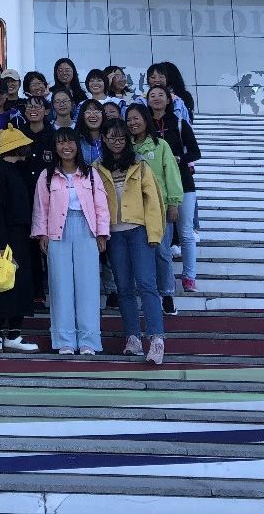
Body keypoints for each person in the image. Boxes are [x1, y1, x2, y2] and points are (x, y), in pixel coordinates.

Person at [32, 128, 110, 355]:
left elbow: (101, 206)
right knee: (60, 285)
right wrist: (42, 233)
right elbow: (41, 207)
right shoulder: (47, 176)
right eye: (60, 143)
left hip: (86, 229)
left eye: (70, 142)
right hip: (58, 230)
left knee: (88, 285)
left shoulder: (91, 174)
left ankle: (89, 341)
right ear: (55, 147)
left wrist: (102, 233)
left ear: (77, 145)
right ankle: (64, 340)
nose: (66, 147)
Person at [94, 120, 166, 365]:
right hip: (114, 234)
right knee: (123, 287)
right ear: (104, 139)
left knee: (146, 284)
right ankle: (133, 337)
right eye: (112, 138)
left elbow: (153, 201)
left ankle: (156, 338)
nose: (117, 142)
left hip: (138, 231)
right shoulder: (96, 168)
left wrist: (155, 234)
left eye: (121, 138)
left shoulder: (140, 165)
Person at [0, 126, 39, 353]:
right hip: (2, 237)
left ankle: (12, 333)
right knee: (0, 282)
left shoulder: (17, 170)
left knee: (16, 283)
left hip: (18, 236)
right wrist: (1, 244)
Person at [126, 102, 184, 315]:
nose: (133, 123)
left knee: (161, 252)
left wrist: (174, 203)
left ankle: (167, 294)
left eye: (136, 118)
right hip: (133, 209)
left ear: (146, 119)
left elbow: (172, 175)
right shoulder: (126, 146)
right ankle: (145, 294)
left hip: (159, 207)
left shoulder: (161, 145)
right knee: (138, 253)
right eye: (129, 119)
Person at [146, 84, 201, 294]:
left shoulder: (179, 123)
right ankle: (163, 278)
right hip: (156, 185)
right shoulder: (145, 125)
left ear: (169, 100)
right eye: (152, 95)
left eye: (161, 95)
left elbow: (195, 152)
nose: (157, 98)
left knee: (185, 231)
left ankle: (189, 276)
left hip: (183, 183)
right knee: (161, 235)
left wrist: (178, 160)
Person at [75, 99, 105, 165]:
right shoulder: (76, 140)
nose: (93, 115)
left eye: (96, 112)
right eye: (88, 112)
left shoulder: (110, 138)